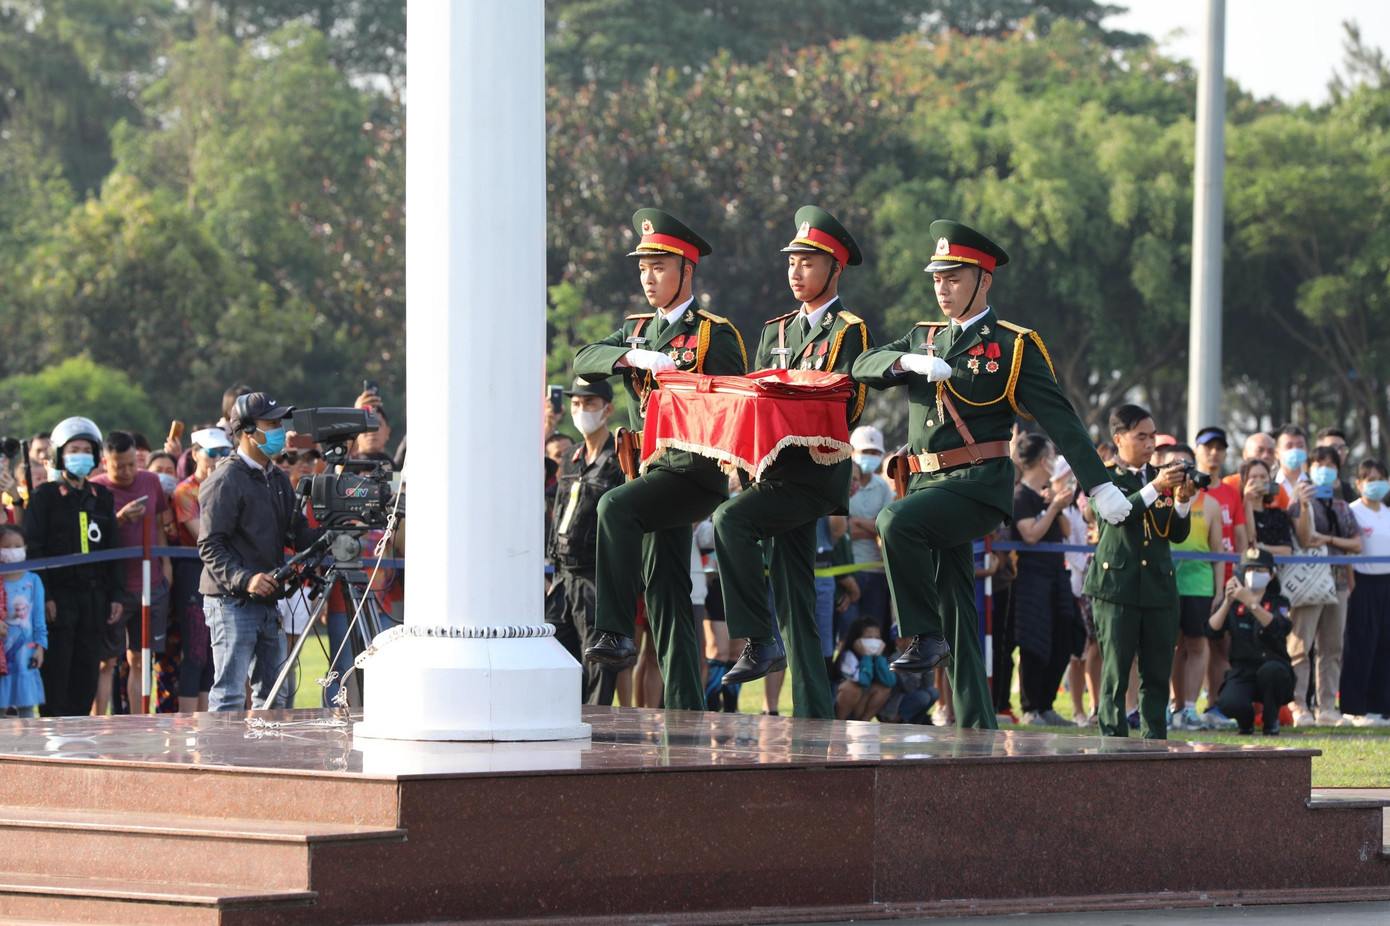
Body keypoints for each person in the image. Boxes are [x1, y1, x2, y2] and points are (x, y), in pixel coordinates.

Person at [851, 220, 1127, 729]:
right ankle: (978, 720)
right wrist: (905, 362)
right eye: (937, 278)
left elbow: (1061, 420)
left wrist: (1100, 483)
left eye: (954, 277)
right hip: (927, 484)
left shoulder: (1013, 345)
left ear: (985, 281)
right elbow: (861, 363)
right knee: (958, 607)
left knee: (894, 522)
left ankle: (918, 634)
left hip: (976, 487)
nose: (942, 287)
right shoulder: (923, 337)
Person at [577, 209, 747, 710]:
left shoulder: (715, 334)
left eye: (660, 267)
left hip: (694, 475)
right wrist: (631, 357)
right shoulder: (635, 330)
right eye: (643, 268)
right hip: (654, 475)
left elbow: (736, 405)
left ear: (686, 271)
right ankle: (686, 709)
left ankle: (612, 632)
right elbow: (584, 358)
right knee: (668, 596)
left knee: (614, 507)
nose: (649, 278)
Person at [714, 206, 874, 719]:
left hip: (815, 476)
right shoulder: (774, 332)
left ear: (835, 269)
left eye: (809, 262)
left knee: (730, 520)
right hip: (775, 473)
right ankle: (812, 712)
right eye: (792, 262)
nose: (797, 271)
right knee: (796, 596)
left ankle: (759, 638)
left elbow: (848, 404)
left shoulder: (848, 330)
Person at [198, 393, 319, 711]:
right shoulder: (225, 480)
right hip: (232, 601)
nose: (280, 430)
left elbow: (297, 533)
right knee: (230, 696)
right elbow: (210, 545)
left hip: (269, 601)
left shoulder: (278, 479)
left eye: (280, 422)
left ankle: (267, 759)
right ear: (248, 431)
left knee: (274, 696)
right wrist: (247, 579)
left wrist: (336, 531)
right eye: (272, 423)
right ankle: (222, 761)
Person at [1083, 406, 1192, 739]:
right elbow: (1118, 514)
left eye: (1153, 436)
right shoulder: (1103, 476)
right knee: (1115, 674)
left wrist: (1183, 502)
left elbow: (1175, 534)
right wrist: (1157, 487)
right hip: (1117, 586)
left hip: (1159, 587)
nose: (1150, 444)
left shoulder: (1158, 476)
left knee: (1158, 673)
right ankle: (1113, 744)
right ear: (1118, 439)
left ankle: (1154, 742)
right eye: (1141, 436)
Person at [22, 417, 124, 717]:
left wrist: (116, 594)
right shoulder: (45, 498)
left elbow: (112, 549)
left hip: (94, 599)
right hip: (59, 600)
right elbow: (35, 549)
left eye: (86, 449)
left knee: (86, 670)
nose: (80, 454)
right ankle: (53, 738)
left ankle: (80, 740)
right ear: (59, 454)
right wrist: (47, 597)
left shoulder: (101, 497)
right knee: (57, 672)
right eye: (73, 449)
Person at [546, 378, 625, 706]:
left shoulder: (619, 457)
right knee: (553, 662)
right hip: (563, 578)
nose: (581, 411)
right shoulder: (571, 457)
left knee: (597, 670)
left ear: (608, 409)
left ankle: (595, 747)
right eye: (576, 404)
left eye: (590, 403)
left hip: (596, 578)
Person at [90, 430, 174, 715]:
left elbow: (160, 523)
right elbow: (90, 537)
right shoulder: (94, 488)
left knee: (141, 658)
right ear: (104, 462)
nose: (126, 472)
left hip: (151, 584)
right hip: (113, 587)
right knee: (105, 661)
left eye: (131, 464)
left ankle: (140, 723)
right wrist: (120, 518)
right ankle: (96, 724)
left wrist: (166, 564)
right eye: (118, 466)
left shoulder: (150, 481)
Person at [1287, 446, 1362, 726]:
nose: (1325, 468)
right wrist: (1304, 505)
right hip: (1307, 582)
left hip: (1339, 581)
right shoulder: (1298, 500)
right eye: (1319, 463)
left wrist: (1329, 539)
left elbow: (1356, 543)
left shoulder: (1342, 506)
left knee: (1333, 646)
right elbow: (1305, 539)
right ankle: (1298, 705)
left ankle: (1327, 707)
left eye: (1330, 464)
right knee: (1300, 645)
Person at [1009, 435, 1079, 727]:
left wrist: (1058, 504)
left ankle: (1048, 704)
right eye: (1051, 455)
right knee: (1034, 641)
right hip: (1030, 578)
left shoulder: (1047, 493)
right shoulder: (1019, 496)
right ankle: (1031, 707)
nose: (1055, 461)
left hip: (1057, 576)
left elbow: (1063, 531)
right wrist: (1051, 508)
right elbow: (1031, 534)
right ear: (1041, 459)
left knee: (1067, 635)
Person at [1161, 443, 1224, 731]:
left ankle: (1189, 708)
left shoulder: (1209, 504)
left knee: (1198, 644)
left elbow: (1217, 552)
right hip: (1166, 581)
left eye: (1187, 464)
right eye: (1176, 465)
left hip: (1199, 585)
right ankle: (1171, 705)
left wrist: (1220, 592)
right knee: (1170, 644)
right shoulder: (1160, 499)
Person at [172, 429, 232, 712]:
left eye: (224, 453)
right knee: (196, 651)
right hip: (193, 570)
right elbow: (203, 536)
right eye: (211, 453)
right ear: (195, 454)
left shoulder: (230, 486)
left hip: (222, 572)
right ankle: (187, 727)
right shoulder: (186, 490)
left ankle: (207, 726)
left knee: (213, 654)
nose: (218, 459)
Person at [1208, 548, 1295, 735]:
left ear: (1271, 575)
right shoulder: (1235, 602)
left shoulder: (1279, 601)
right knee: (1228, 702)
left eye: (1260, 570)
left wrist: (1252, 604)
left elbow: (1280, 627)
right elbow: (1212, 631)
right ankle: (1245, 723)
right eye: (1248, 570)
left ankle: (1271, 721)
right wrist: (1227, 602)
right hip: (1243, 670)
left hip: (1273, 667)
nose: (1253, 574)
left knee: (1273, 672)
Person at [1341, 459, 1390, 725]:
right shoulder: (1352, 511)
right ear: (1359, 483)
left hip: (1387, 585)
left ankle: (1381, 707)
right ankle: (1354, 707)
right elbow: (1349, 552)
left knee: (1385, 645)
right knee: (1360, 645)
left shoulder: (1388, 512)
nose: (1376, 483)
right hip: (1361, 584)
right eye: (1369, 479)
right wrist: (1351, 585)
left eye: (1381, 478)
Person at [845, 425, 894, 639]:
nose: (870, 457)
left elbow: (886, 527)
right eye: (866, 452)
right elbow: (841, 529)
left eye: (875, 453)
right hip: (846, 569)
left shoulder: (883, 487)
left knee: (873, 635)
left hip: (875, 569)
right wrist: (873, 525)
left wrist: (855, 522)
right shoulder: (842, 484)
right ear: (852, 452)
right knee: (847, 635)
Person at [0, 525, 45, 716]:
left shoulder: (33, 581)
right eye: (7, 546)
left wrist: (40, 647)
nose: (13, 550)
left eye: (17, 545)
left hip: (26, 655)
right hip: (3, 659)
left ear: (25, 548)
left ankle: (30, 743)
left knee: (27, 708)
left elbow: (39, 620)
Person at [834, 616, 895, 721]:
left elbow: (890, 681)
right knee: (852, 688)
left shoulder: (878, 657)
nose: (873, 641)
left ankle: (863, 724)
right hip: (842, 702)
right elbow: (863, 681)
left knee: (884, 689)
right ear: (856, 639)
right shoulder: (848, 656)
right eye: (868, 637)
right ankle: (839, 724)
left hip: (860, 704)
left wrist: (878, 657)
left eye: (877, 638)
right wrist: (866, 657)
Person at [1315, 427, 1358, 502]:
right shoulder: (1304, 488)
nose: (1339, 452)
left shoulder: (1349, 493)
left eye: (1343, 448)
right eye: (1333, 447)